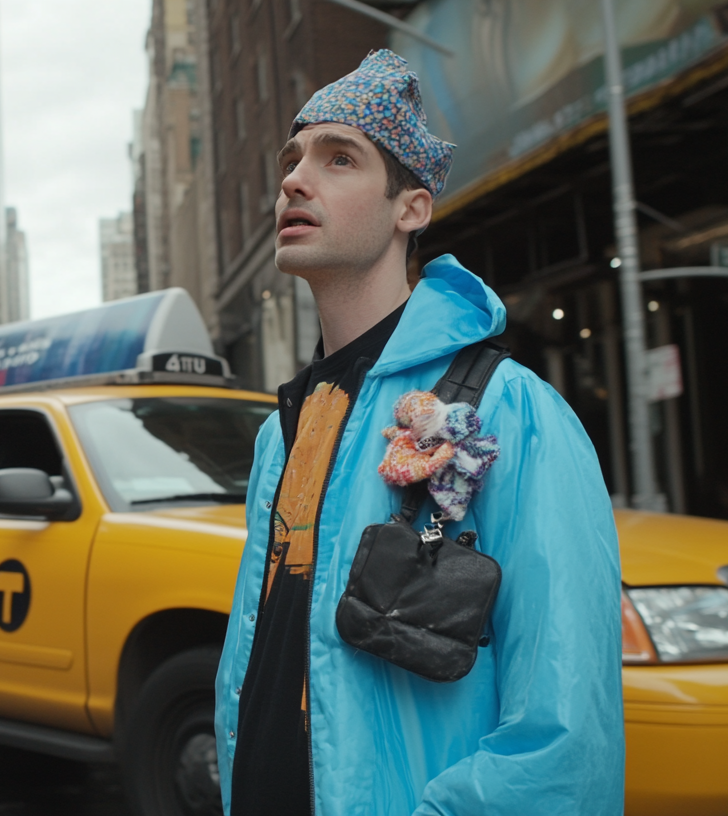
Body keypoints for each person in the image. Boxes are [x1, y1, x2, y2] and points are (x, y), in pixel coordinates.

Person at [214, 50, 624, 815]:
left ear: (412, 208)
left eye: (340, 159)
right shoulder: (282, 434)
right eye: (292, 160)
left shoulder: (514, 412)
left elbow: (565, 738)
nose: (295, 180)